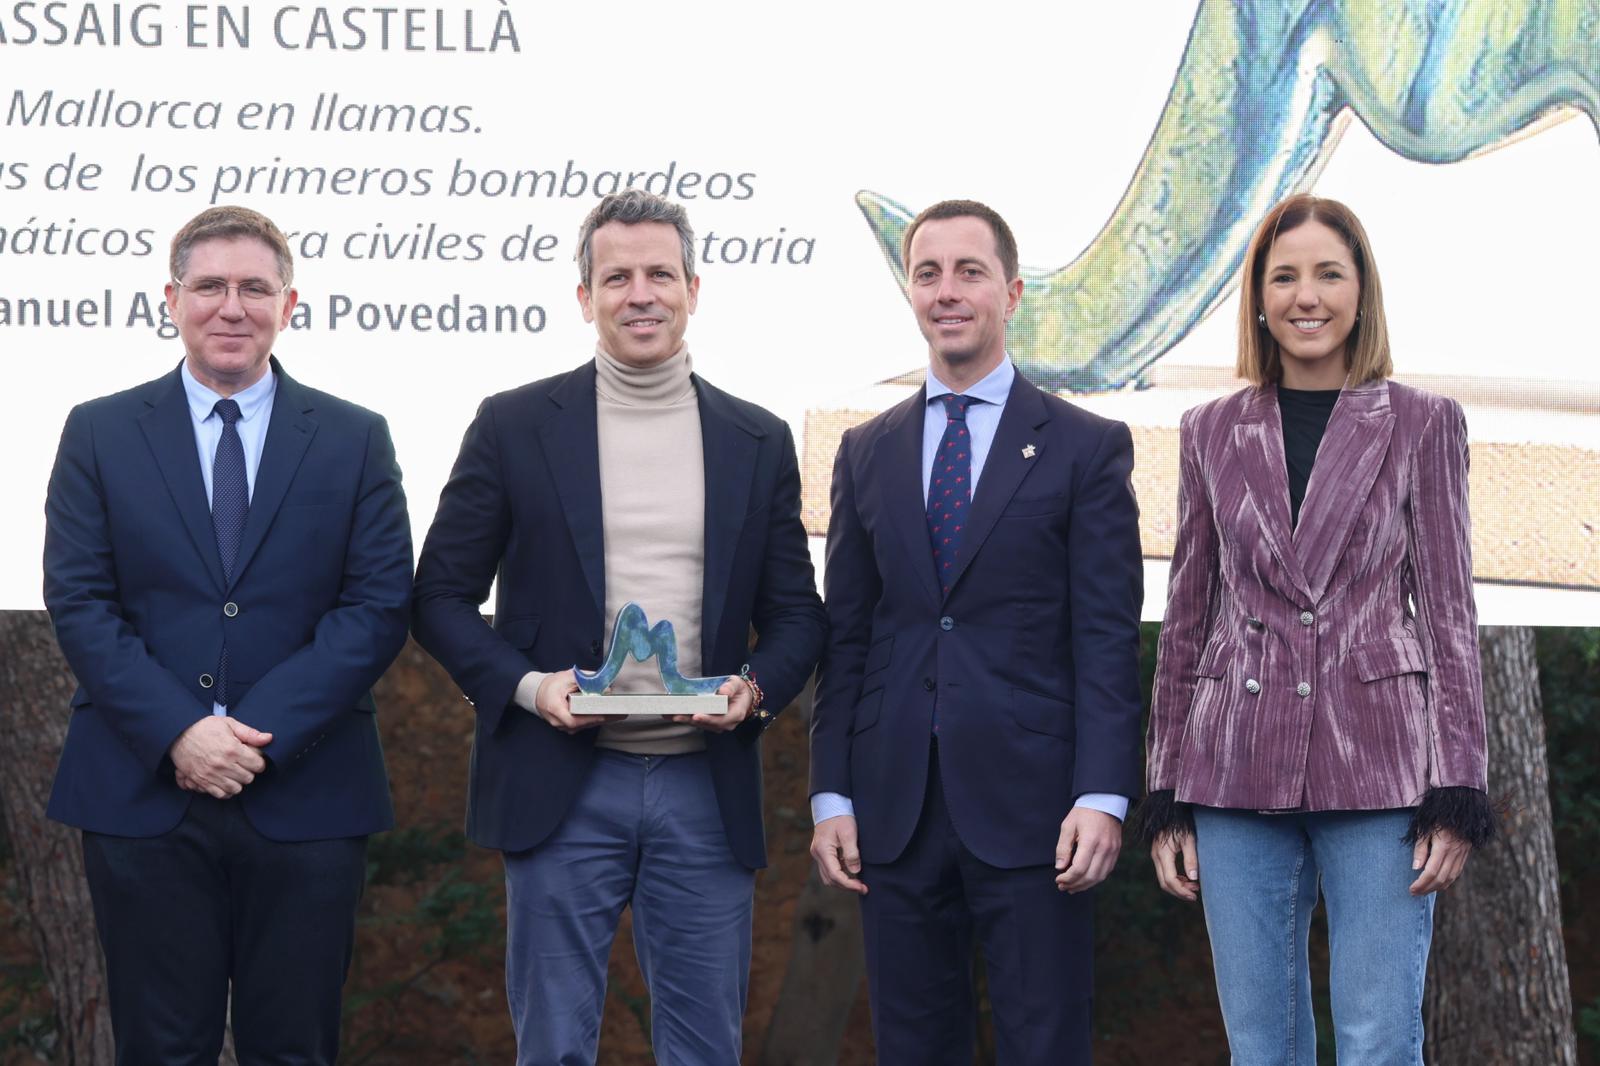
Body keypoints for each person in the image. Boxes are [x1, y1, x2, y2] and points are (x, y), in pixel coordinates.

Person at [411, 188, 826, 1066]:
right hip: (560, 786)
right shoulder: (514, 425)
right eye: (617, 277)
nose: (640, 293)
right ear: (585, 297)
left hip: (704, 795)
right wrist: (529, 689)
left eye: (659, 274)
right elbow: (439, 596)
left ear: (693, 289)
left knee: (704, 1050)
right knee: (554, 1049)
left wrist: (751, 693)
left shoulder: (755, 439)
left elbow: (796, 615)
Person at [42, 204, 413, 1064]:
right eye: (209, 286)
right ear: (171, 300)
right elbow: (79, 598)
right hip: (141, 794)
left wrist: (249, 739)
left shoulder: (355, 438)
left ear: (292, 304)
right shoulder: (98, 432)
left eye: (255, 287)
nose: (231, 307)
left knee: (295, 1047)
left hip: (307, 792)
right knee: (159, 1048)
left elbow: (377, 603)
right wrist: (181, 732)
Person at [1139, 193, 1495, 1065]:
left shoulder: (1422, 424)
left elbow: (1449, 612)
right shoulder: (1210, 430)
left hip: (1379, 769)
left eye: (1328, 273)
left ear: (1361, 290)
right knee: (1262, 1047)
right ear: (1258, 298)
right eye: (1284, 275)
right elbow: (1189, 613)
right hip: (1232, 769)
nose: (1307, 295)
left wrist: (1458, 787)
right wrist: (1165, 792)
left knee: (1378, 1041)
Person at [808, 199, 1144, 1064]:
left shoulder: (1085, 448)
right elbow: (847, 637)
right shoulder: (866, 451)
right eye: (927, 273)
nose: (946, 291)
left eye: (969, 272)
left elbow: (1106, 638)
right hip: (894, 808)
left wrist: (1102, 794)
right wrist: (832, 793)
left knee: (1045, 1042)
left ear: (1014, 291)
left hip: (1039, 812)